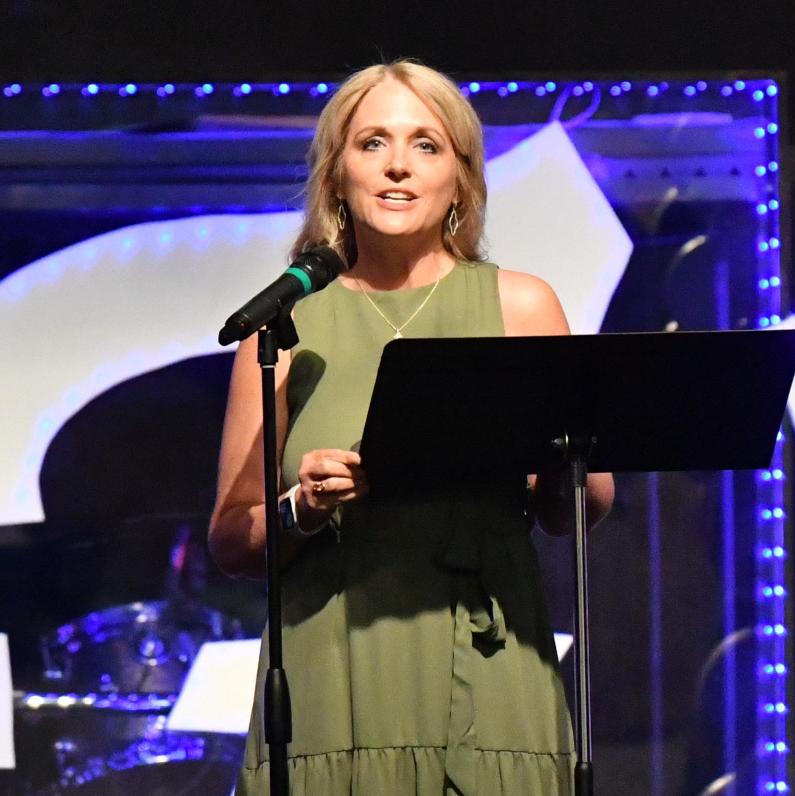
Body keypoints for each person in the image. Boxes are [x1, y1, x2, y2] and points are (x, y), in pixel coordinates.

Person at [209, 60, 614, 796]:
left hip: (487, 666)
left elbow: (584, 506)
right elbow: (232, 540)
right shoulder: (283, 328)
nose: (398, 165)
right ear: (338, 174)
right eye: (373, 144)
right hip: (332, 675)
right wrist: (304, 506)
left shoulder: (521, 307)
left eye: (427, 145)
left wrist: (547, 458)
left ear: (461, 177)